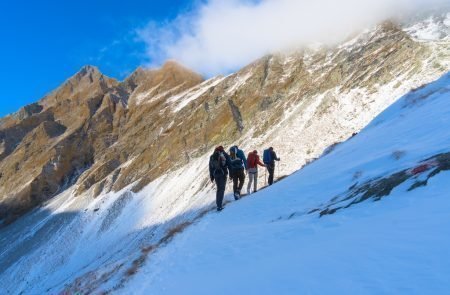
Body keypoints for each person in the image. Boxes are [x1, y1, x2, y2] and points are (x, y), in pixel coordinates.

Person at [209, 146, 230, 211]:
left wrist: (211, 176)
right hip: (222, 174)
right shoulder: (223, 154)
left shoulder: (212, 156)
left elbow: (210, 167)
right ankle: (219, 206)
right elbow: (229, 163)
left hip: (215, 174)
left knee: (218, 189)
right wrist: (231, 173)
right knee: (222, 189)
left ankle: (218, 204)